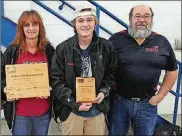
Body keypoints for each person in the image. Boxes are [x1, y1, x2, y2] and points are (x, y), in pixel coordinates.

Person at [108, 5, 178, 136]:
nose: (142, 20)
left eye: (146, 16)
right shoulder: (115, 40)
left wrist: (159, 97)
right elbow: (104, 68)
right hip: (119, 102)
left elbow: (172, 70)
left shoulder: (161, 41)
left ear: (151, 20)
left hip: (147, 104)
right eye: (137, 16)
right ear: (130, 19)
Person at [51, 6, 117, 135]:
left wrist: (104, 91)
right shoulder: (63, 49)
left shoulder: (106, 47)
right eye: (80, 21)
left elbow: (111, 74)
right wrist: (73, 102)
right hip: (71, 111)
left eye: (89, 20)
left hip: (97, 110)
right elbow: (56, 80)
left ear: (95, 23)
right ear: (74, 24)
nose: (85, 24)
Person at [1, 10, 55, 135]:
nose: (31, 28)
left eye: (34, 24)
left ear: (40, 27)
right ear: (21, 28)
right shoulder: (12, 50)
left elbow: (56, 75)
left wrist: (49, 88)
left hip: (42, 113)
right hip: (20, 114)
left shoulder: (49, 50)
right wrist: (6, 88)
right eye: (27, 25)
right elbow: (2, 75)